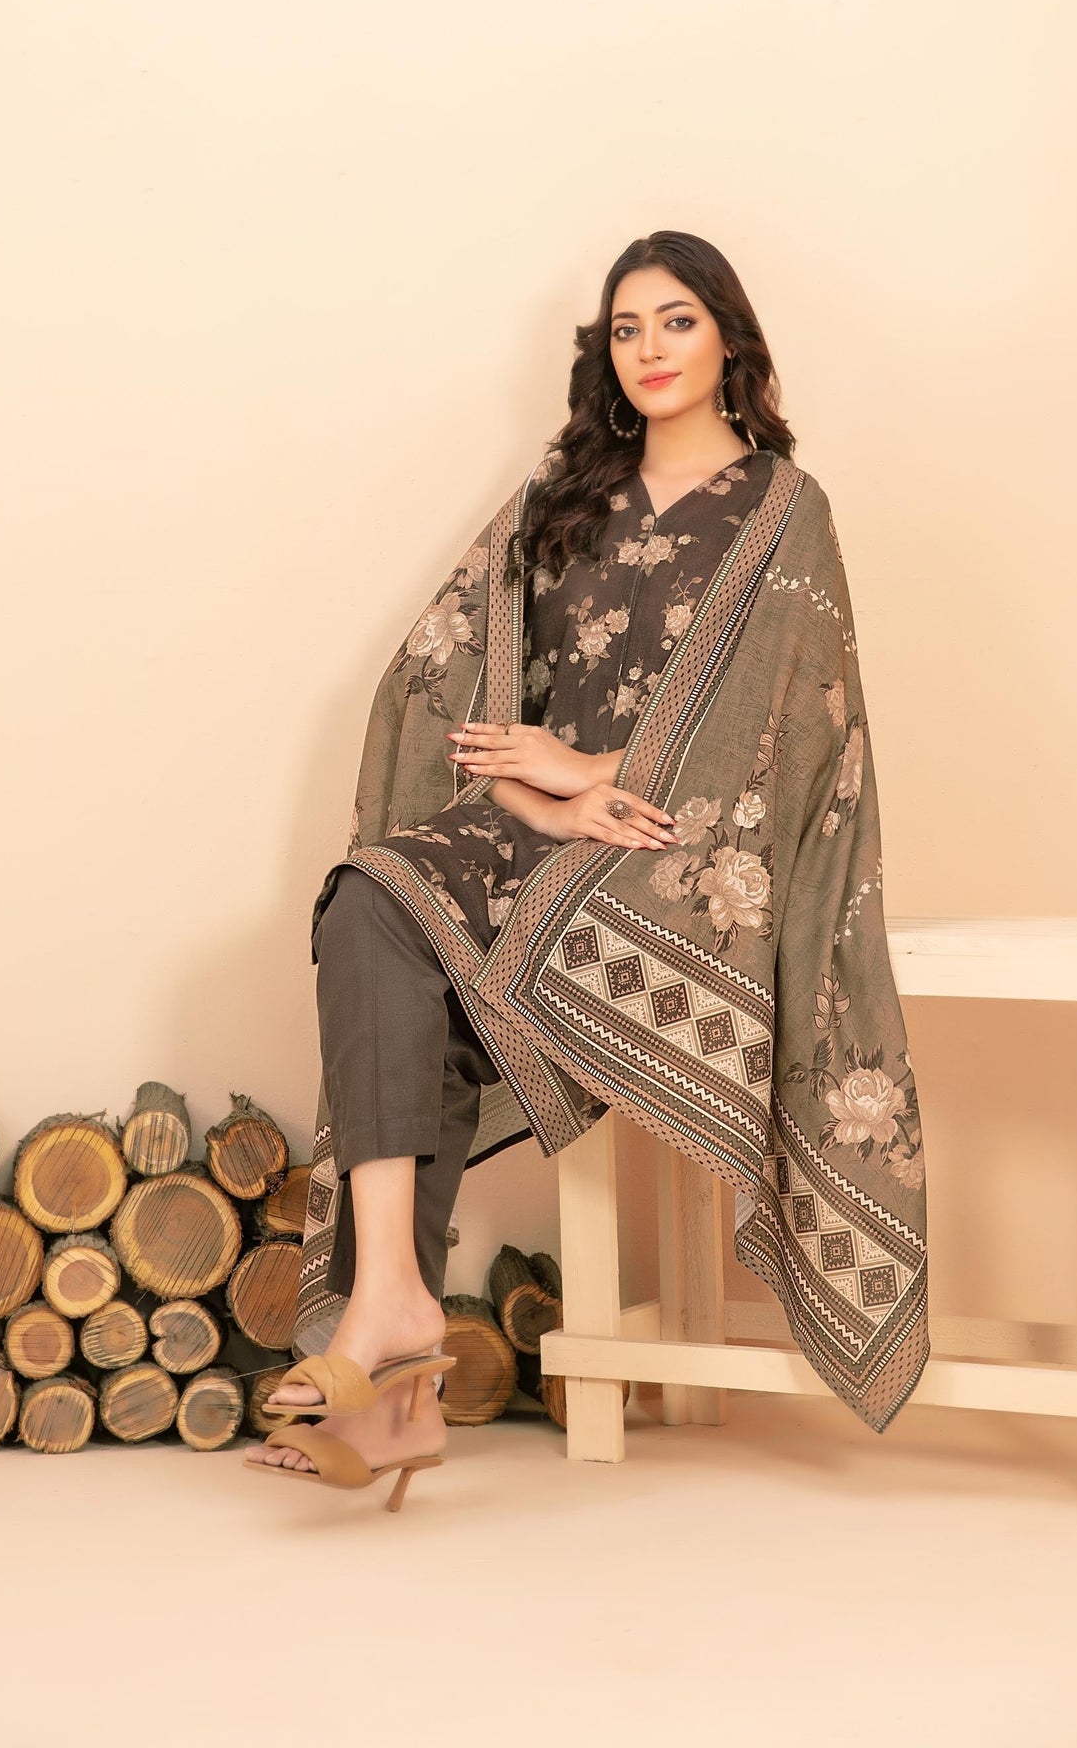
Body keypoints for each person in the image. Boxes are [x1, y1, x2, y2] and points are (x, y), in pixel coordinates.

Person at [245, 231, 928, 1498]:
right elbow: (441, 670)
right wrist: (530, 787)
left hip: (674, 848)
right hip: (543, 821)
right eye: (625, 328)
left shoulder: (785, 509)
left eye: (675, 321)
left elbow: (781, 731)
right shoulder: (564, 490)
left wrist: (588, 768)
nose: (651, 349)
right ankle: (392, 1296)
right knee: (368, 904)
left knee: (428, 967)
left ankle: (387, 1364)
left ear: (728, 336)